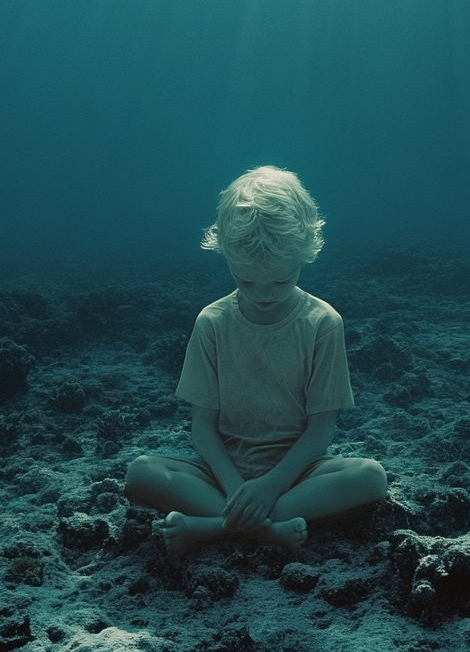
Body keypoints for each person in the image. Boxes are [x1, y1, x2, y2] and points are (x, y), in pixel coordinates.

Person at [124, 166, 387, 557]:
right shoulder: (212, 321)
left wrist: (269, 486)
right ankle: (268, 528)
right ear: (225, 255)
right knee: (140, 471)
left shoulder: (323, 323)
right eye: (246, 280)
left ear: (307, 253)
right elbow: (202, 426)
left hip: (297, 472)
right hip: (221, 471)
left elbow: (320, 430)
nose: (264, 294)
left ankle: (215, 527)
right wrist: (238, 491)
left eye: (281, 280)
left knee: (370, 476)